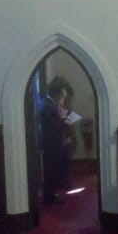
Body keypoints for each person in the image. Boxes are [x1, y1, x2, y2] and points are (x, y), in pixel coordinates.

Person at [40, 76, 71, 204]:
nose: (62, 98)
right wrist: (66, 122)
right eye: (62, 95)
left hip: (52, 142)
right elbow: (52, 125)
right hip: (50, 143)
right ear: (56, 93)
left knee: (52, 169)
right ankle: (49, 197)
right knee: (50, 171)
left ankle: (51, 194)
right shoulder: (48, 105)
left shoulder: (50, 104)